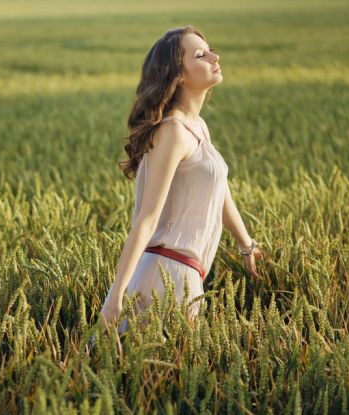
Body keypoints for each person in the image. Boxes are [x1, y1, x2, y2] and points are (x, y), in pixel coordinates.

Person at [97, 26, 265, 341]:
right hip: (167, 276)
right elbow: (146, 219)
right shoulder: (173, 131)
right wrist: (114, 298)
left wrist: (246, 244)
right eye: (200, 55)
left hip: (186, 275)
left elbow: (218, 189)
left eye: (209, 49)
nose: (215, 57)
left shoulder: (197, 126)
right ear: (179, 75)